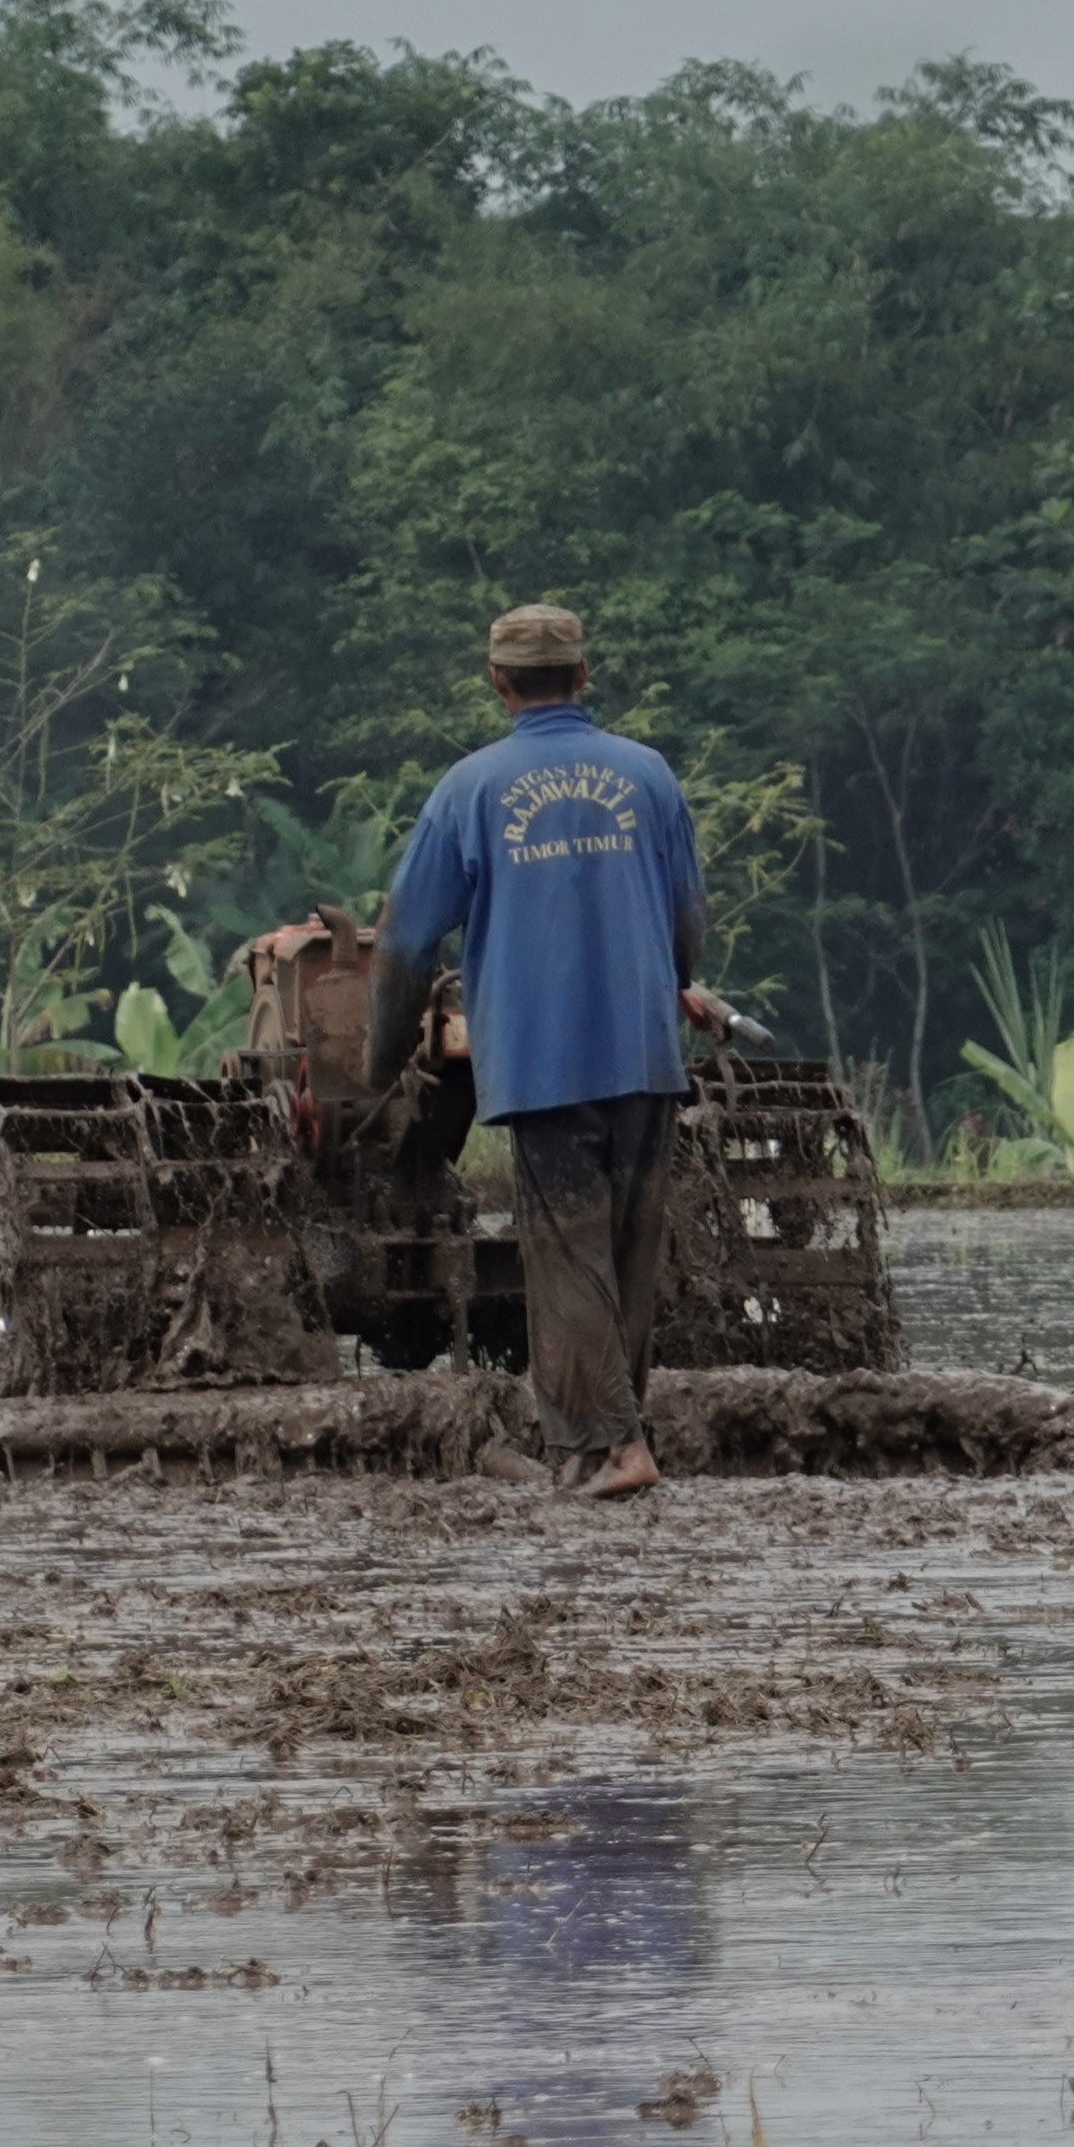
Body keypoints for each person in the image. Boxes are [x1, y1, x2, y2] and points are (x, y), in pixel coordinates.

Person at [368, 603, 728, 1498]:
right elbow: (687, 913)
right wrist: (674, 979)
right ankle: (588, 1455)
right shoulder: (646, 775)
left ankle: (618, 1449)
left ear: (498, 682)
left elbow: (405, 941)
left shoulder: (471, 788)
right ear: (583, 675)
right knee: (625, 1256)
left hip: (542, 1059)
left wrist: (382, 1059)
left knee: (567, 1257)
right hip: (644, 1054)